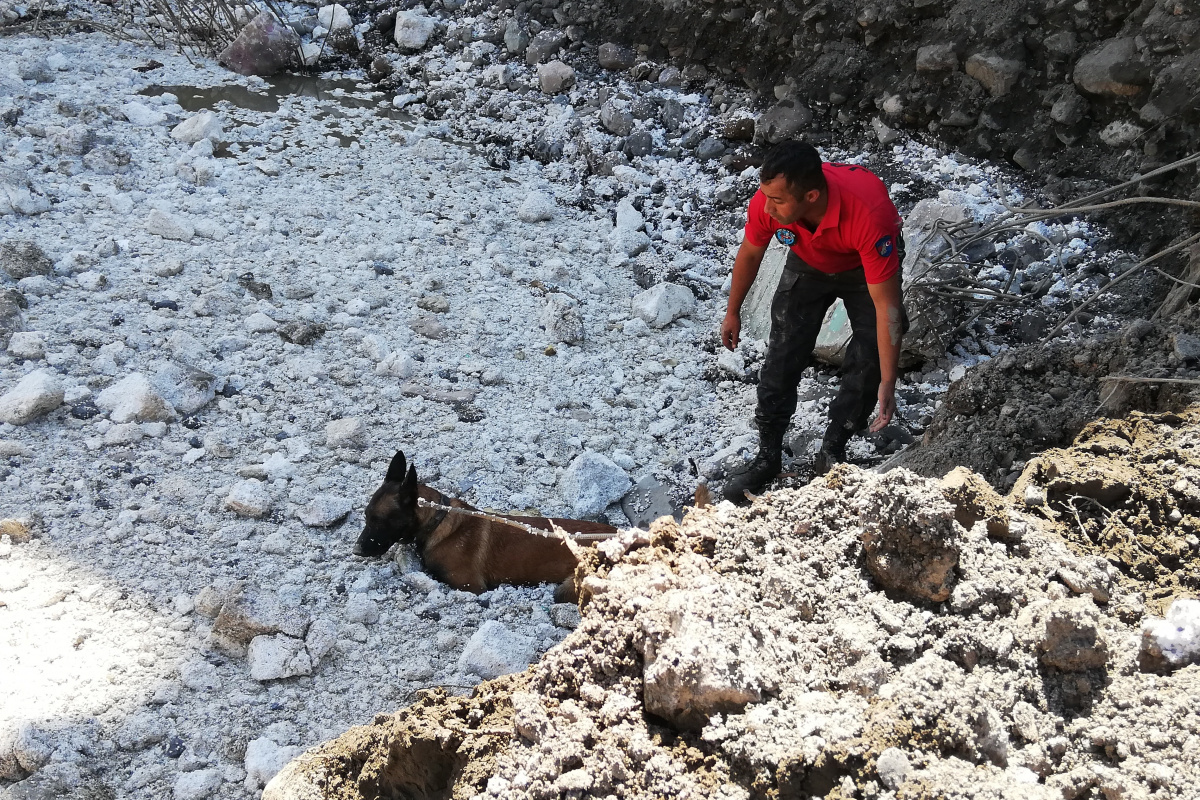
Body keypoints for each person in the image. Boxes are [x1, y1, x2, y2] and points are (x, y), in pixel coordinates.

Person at [720, 140, 907, 504]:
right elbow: (751, 252)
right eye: (766, 198)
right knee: (783, 353)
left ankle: (833, 450)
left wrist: (889, 380)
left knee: (868, 358)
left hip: (861, 266)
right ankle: (768, 455)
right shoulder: (768, 202)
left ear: (810, 195)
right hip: (809, 261)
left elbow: (888, 310)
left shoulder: (869, 214)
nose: (767, 208)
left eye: (778, 202)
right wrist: (733, 310)